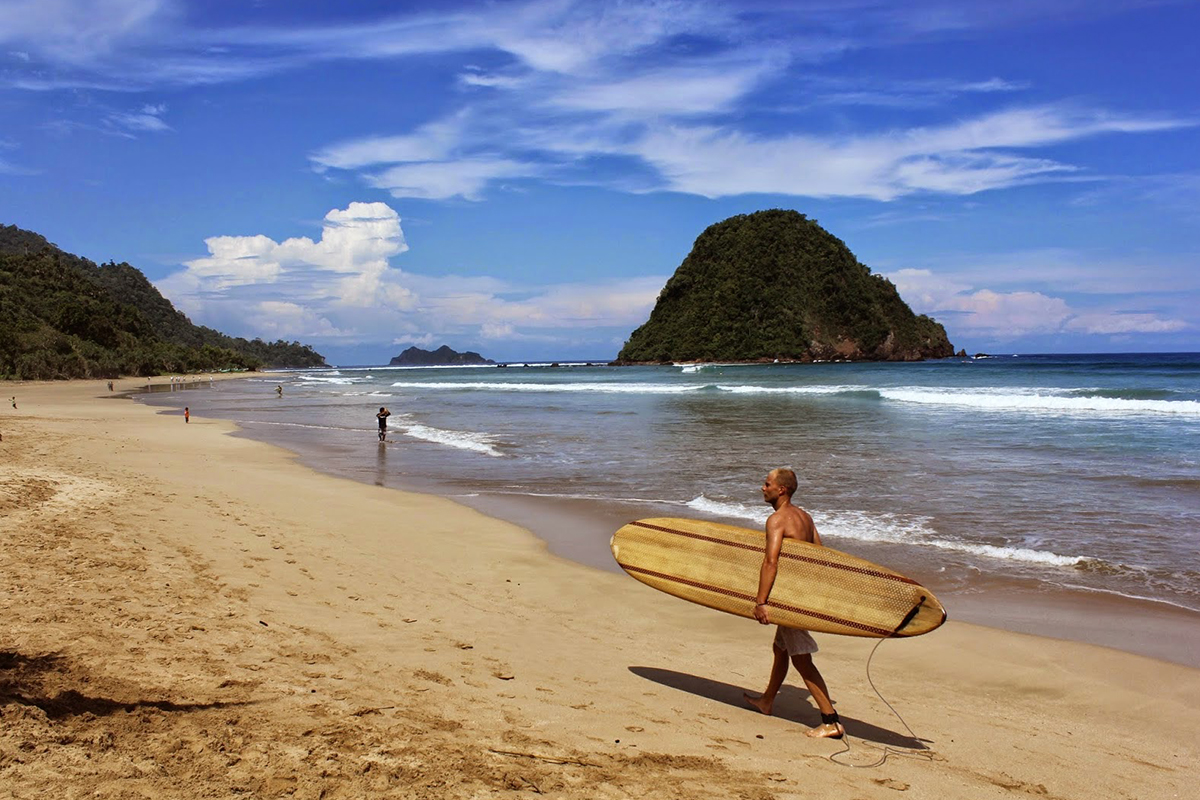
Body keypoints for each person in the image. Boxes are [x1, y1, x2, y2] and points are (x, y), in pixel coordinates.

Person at [743, 468, 844, 739]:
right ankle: (767, 701)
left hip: (786, 598)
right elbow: (821, 557)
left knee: (801, 659)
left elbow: (771, 561)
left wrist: (761, 601)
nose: (762, 488)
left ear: (781, 490)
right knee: (780, 649)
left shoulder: (777, 520)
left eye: (767, 484)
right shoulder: (805, 518)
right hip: (799, 594)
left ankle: (830, 720)